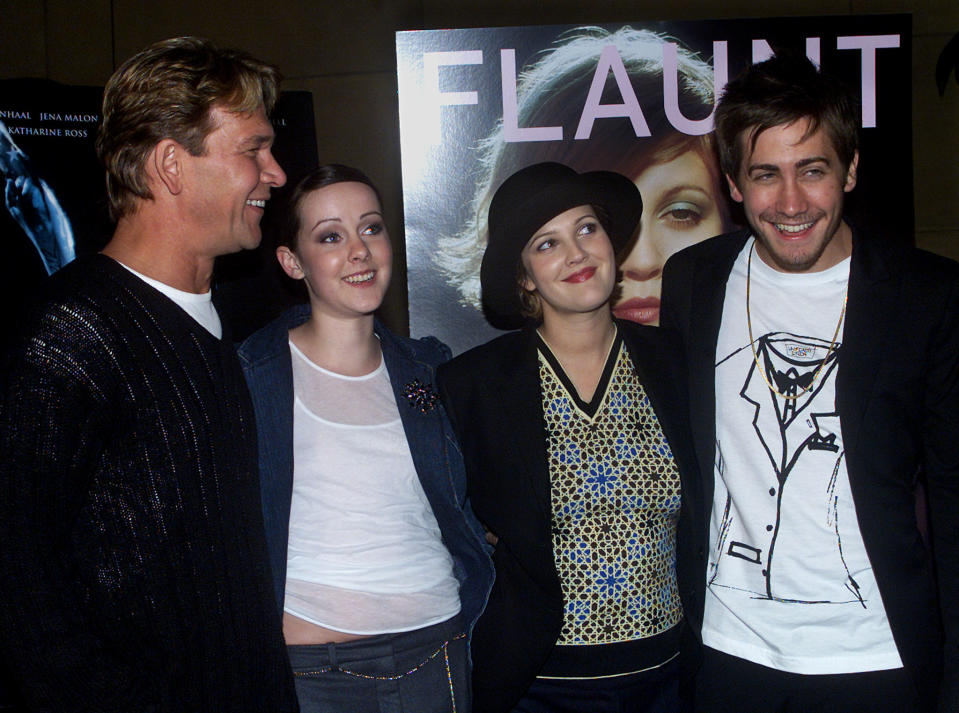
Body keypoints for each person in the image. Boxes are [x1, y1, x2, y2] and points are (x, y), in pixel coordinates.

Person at [0, 37, 296, 712]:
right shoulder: (69, 336)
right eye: (252, 149)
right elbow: (21, 594)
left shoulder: (221, 324)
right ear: (171, 165)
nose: (274, 173)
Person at [660, 53, 959, 713]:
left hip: (875, 657)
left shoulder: (926, 296)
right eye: (765, 175)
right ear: (733, 184)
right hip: (727, 655)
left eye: (812, 170)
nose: (790, 203)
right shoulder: (691, 280)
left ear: (850, 169)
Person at [438, 162, 702, 713]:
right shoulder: (474, 386)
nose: (577, 253)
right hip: (538, 686)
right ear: (525, 276)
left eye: (587, 229)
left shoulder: (677, 363)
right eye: (547, 243)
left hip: (669, 680)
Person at [237, 164, 494, 713]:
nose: (359, 250)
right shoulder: (250, 376)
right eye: (331, 236)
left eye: (371, 228)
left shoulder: (429, 368)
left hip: (439, 651)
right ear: (291, 261)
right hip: (314, 671)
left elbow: (466, 504)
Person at [437, 26, 734, 327]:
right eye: (547, 243)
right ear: (523, 271)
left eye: (681, 213)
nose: (643, 263)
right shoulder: (474, 374)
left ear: (729, 222)